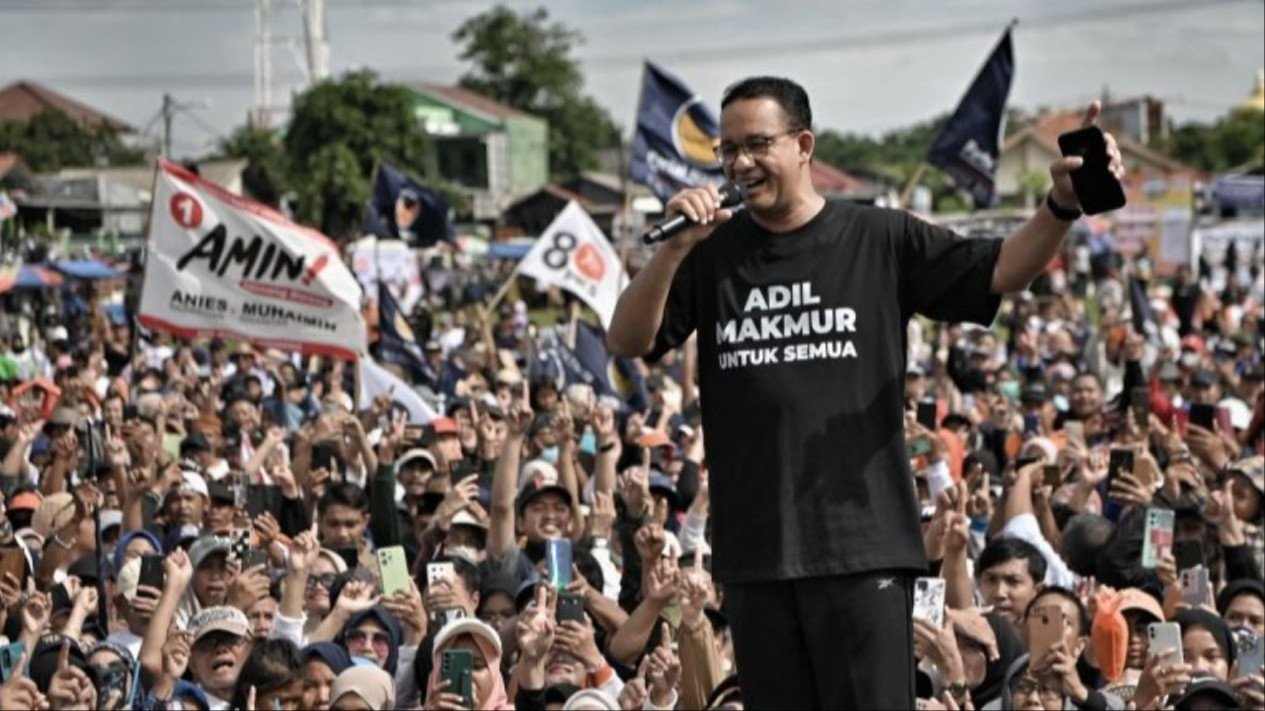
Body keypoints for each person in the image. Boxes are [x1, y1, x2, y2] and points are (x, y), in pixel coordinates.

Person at [606, 74, 1124, 709]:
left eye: (757, 144)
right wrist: (672, 252)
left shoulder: (880, 237)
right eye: (728, 150)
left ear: (803, 145)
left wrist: (1061, 207)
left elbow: (1001, 269)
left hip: (862, 551)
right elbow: (628, 341)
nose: (740, 163)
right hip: (756, 555)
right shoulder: (712, 253)